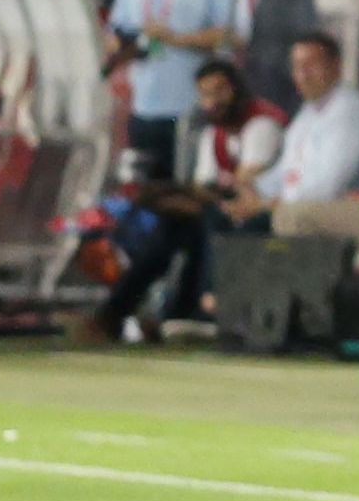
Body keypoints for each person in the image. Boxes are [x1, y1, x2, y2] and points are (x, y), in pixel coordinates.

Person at [88, 59, 278, 340]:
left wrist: (194, 199)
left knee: (205, 221)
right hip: (225, 209)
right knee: (171, 226)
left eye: (220, 91)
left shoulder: (261, 125)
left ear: (237, 90)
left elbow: (245, 183)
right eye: (205, 94)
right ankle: (126, 312)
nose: (213, 101)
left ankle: (203, 310)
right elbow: (204, 186)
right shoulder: (213, 135)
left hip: (259, 213)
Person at [105, 0, 237, 186]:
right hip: (144, 107)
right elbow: (117, 29)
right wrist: (118, 45)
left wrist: (176, 39)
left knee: (189, 200)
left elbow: (233, 34)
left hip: (195, 109)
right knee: (147, 202)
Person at [259, 31, 359, 245]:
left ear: (336, 66)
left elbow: (327, 187)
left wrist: (268, 204)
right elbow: (287, 173)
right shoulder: (308, 113)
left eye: (311, 65)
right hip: (311, 206)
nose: (303, 75)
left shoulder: (350, 111)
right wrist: (253, 190)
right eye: (297, 67)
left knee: (286, 218)